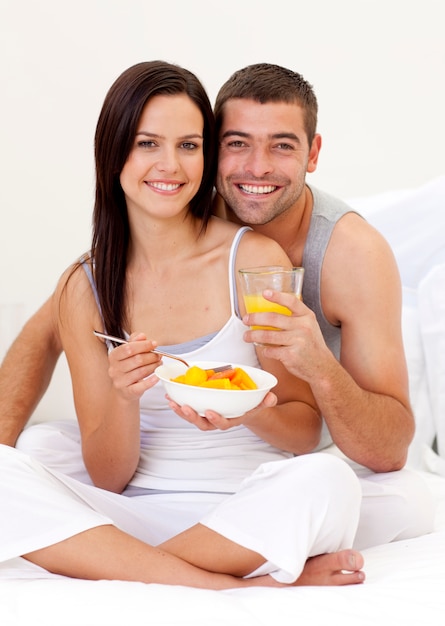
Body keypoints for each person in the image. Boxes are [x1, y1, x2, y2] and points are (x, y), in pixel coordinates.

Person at [0, 61, 434, 560]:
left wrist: (310, 367)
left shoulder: (318, 256)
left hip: (259, 477)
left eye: (282, 145)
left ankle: (129, 560)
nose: (257, 168)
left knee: (361, 488)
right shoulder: (104, 267)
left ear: (313, 154)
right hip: (150, 488)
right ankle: (223, 564)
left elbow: (358, 444)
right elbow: (48, 339)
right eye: (237, 143)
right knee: (34, 452)